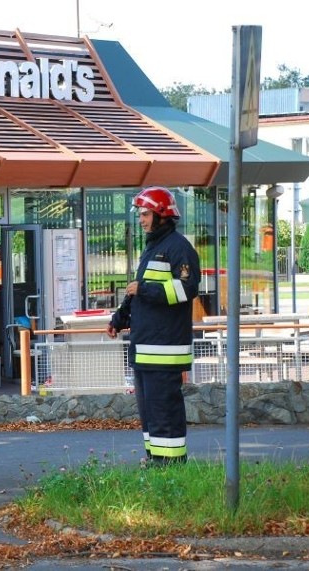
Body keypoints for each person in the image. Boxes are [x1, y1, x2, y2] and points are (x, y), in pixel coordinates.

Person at [106, 187, 200, 465]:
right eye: (140, 214)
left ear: (162, 215)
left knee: (164, 409)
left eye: (145, 214)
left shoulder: (178, 247)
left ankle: (170, 463)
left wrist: (146, 289)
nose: (141, 219)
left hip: (165, 347)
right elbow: (138, 292)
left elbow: (188, 289)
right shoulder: (153, 248)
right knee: (149, 411)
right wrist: (120, 318)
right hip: (146, 347)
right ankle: (155, 458)